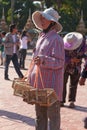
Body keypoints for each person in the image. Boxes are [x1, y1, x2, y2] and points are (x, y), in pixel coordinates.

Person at [27, 7, 65, 130]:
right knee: (39, 115)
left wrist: (43, 59)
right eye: (42, 18)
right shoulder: (41, 37)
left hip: (51, 86)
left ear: (52, 22)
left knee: (53, 116)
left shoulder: (57, 40)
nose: (42, 21)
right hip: (39, 83)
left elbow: (60, 62)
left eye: (45, 19)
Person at [61, 32, 87, 108]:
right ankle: (61, 101)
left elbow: (85, 55)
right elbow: (61, 56)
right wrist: (71, 59)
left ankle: (71, 101)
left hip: (76, 68)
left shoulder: (83, 45)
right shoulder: (63, 46)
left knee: (73, 85)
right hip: (65, 67)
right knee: (63, 84)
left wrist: (79, 59)